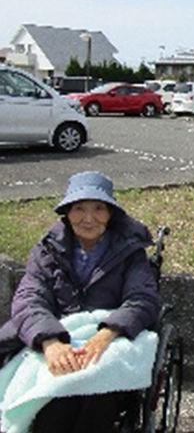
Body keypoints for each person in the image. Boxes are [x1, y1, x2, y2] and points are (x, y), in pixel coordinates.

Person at [0, 171, 160, 433]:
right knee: (55, 389)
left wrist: (104, 336)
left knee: (99, 384)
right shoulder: (47, 250)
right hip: (56, 335)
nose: (89, 218)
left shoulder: (130, 252)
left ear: (110, 213)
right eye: (79, 209)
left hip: (109, 339)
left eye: (99, 208)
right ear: (67, 213)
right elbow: (29, 299)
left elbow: (141, 299)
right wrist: (51, 343)